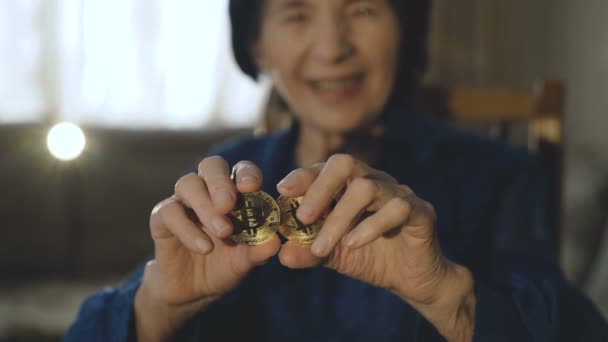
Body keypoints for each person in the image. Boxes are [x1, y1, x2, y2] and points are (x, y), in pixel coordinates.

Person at [65, 0, 608, 341]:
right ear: (258, 43)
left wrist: (449, 297)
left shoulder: (500, 175)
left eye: (363, 9)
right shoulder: (226, 176)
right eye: (297, 12)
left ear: (406, 28)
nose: (332, 49)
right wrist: (157, 308)